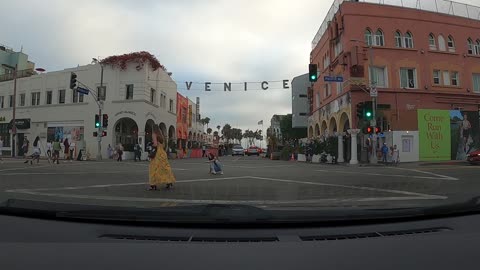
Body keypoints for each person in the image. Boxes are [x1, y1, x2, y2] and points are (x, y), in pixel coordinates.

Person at [148, 125, 176, 190]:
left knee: (154, 168)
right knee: (164, 168)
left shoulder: (154, 134)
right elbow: (164, 145)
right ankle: (169, 182)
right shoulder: (161, 135)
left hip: (157, 153)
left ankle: (153, 184)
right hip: (162, 153)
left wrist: (151, 145)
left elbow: (155, 144)